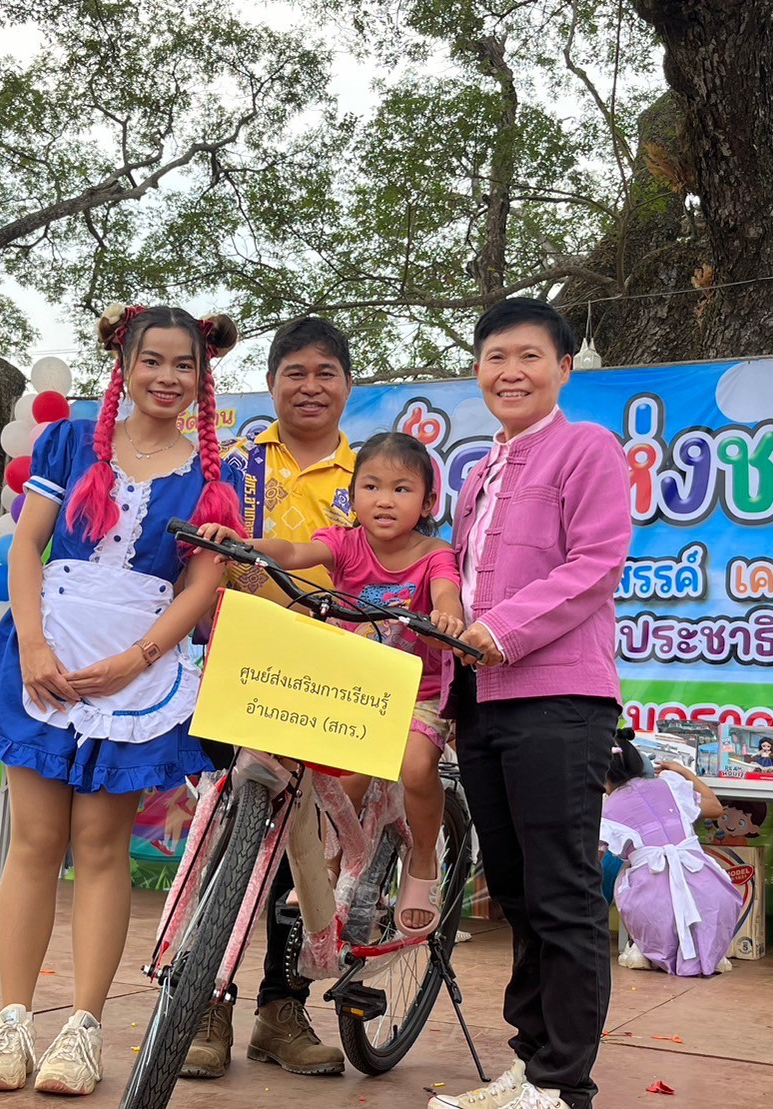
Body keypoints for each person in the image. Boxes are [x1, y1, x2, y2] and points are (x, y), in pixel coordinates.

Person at [0, 304, 241, 1097]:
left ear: (202, 375)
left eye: (184, 364)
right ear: (124, 363)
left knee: (102, 847)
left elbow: (203, 583)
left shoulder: (218, 475)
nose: (167, 377)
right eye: (153, 360)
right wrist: (32, 645)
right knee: (35, 840)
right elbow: (28, 543)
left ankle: (82, 1028)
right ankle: (11, 1020)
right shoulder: (69, 442)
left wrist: (138, 658)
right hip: (49, 644)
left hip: (138, 661)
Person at [429, 298, 633, 1109]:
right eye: (494, 357)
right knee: (514, 890)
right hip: (481, 701)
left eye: (528, 356)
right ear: (477, 369)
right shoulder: (478, 471)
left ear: (563, 368)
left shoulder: (587, 447)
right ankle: (531, 1064)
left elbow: (595, 563)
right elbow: (458, 575)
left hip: (559, 700)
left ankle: (562, 1084)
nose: (509, 372)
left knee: (561, 891)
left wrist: (498, 630)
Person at [200, 430, 466, 935]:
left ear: (429, 501)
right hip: (355, 691)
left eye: (402, 489)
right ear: (353, 495)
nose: (384, 500)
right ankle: (329, 863)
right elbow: (293, 551)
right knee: (341, 780)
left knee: (415, 768)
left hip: (418, 692)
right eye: (371, 486)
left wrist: (448, 615)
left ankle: (423, 862)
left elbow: (446, 593)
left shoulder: (435, 552)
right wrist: (245, 545)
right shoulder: (344, 542)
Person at [182, 316, 354, 1081]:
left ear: (347, 383)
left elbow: (395, 570)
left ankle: (280, 1011)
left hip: (330, 682)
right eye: (295, 372)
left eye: (325, 372)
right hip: (241, 670)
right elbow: (203, 559)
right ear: (271, 382)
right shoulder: (236, 467)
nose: (309, 386)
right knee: (228, 833)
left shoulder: (372, 475)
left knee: (301, 845)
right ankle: (204, 1005)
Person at [599, 737, 738, 977]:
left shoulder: (607, 810)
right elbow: (715, 807)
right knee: (697, 890)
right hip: (712, 893)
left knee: (627, 872)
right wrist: (683, 771)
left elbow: (592, 862)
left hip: (653, 904)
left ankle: (644, 947)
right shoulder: (670, 786)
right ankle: (710, 951)